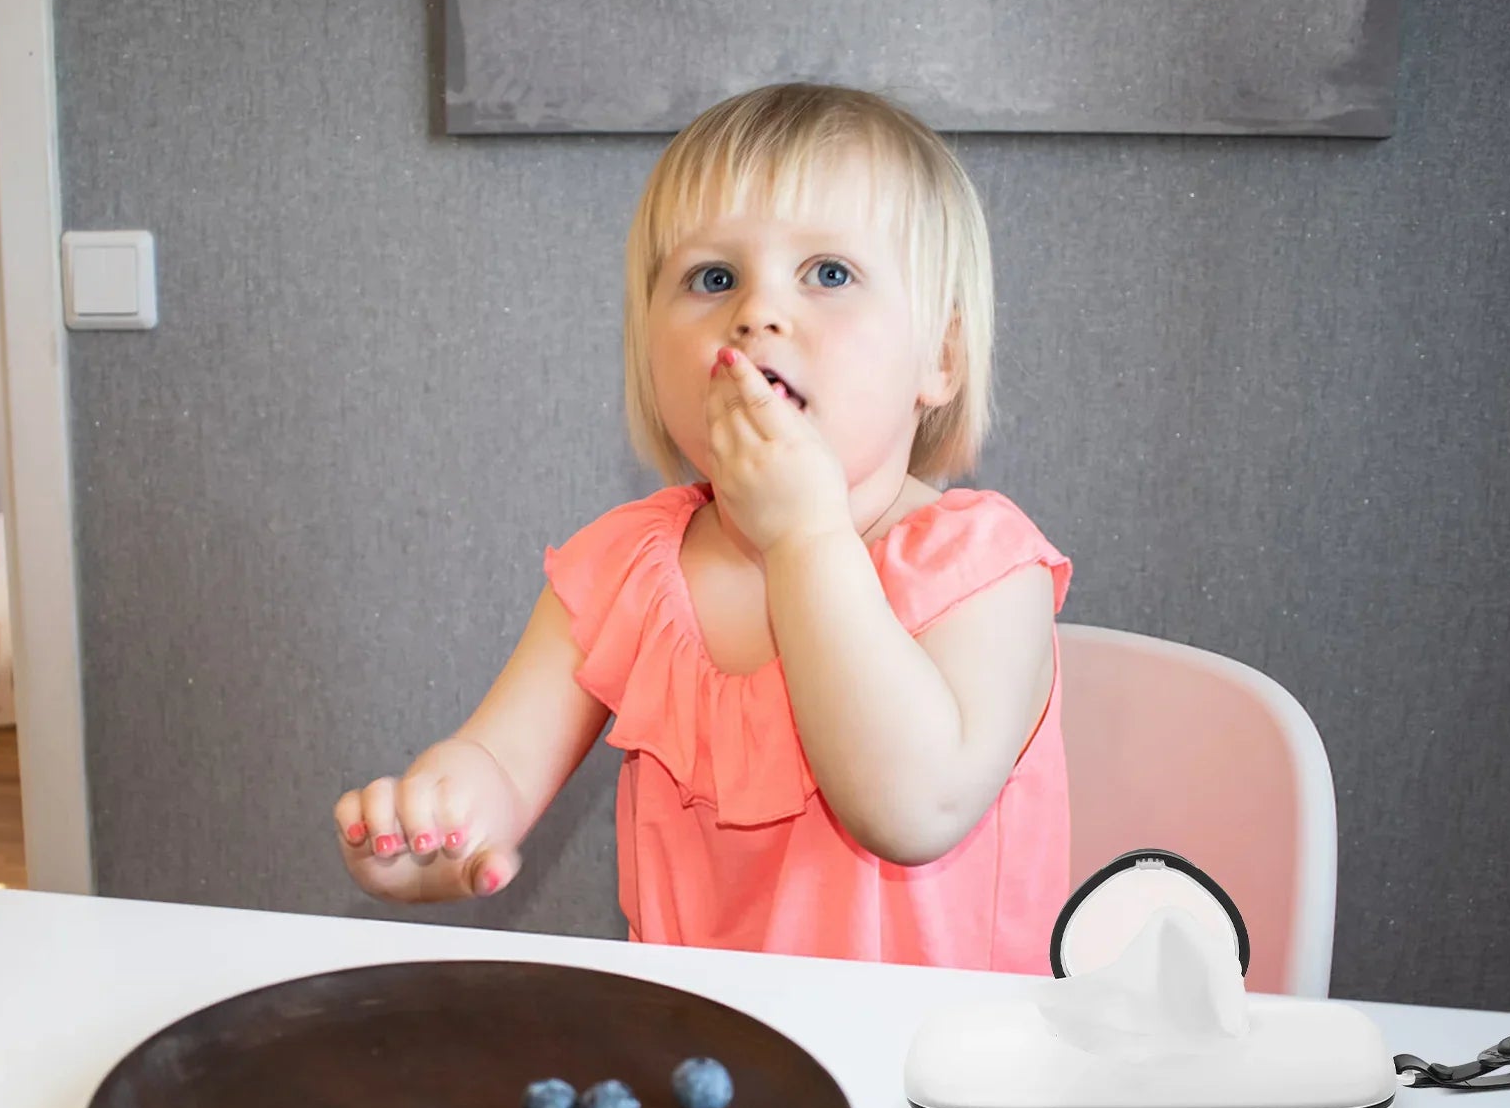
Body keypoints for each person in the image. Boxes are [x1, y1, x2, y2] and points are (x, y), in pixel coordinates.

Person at [335, 82, 1072, 973]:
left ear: (939, 357)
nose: (757, 313)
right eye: (713, 277)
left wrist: (804, 535)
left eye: (828, 274)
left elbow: (913, 810)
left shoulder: (984, 569)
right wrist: (437, 828)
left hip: (936, 1080)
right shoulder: (626, 568)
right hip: (700, 1061)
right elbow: (497, 759)